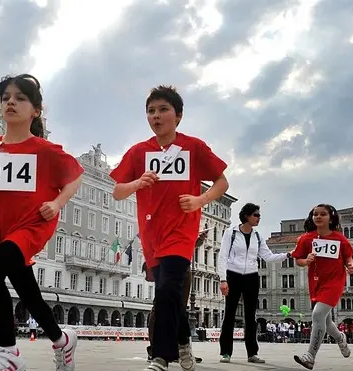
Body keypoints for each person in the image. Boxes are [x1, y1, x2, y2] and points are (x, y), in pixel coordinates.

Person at [0, 74, 83, 371]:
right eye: (6, 97)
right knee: (30, 296)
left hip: (31, 225)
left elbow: (75, 176)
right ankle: (62, 340)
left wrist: (57, 203)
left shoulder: (44, 150)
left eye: (20, 98)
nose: (11, 102)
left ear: (35, 110)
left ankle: (9, 352)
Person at [110, 85, 228, 371]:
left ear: (179, 115)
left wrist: (200, 199)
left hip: (181, 231)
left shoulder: (194, 147)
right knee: (169, 292)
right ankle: (184, 341)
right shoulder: (139, 152)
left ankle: (161, 356)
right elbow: (117, 191)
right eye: (151, 111)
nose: (156, 116)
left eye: (163, 109)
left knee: (166, 291)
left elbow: (222, 183)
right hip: (152, 234)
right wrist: (138, 183)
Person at [217, 202, 292, 363]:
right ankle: (226, 352)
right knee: (229, 314)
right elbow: (222, 256)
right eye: (256, 215)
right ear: (246, 216)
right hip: (233, 274)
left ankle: (252, 353)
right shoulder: (231, 233)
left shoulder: (257, 236)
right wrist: (223, 279)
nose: (259, 218)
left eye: (259, 215)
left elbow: (268, 256)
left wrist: (288, 255)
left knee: (251, 316)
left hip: (251, 276)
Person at [292, 204, 353, 370]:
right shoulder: (306, 239)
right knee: (325, 321)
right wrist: (307, 261)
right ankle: (340, 338)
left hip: (334, 282)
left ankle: (310, 356)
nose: (318, 217)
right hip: (316, 283)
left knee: (317, 314)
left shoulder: (340, 238)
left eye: (323, 214)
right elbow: (298, 260)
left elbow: (348, 255)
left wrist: (350, 265)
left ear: (330, 217)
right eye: (315, 214)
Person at [143, 262, 202, 363]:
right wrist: (149, 263)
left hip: (184, 263)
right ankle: (155, 350)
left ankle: (180, 351)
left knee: (181, 307)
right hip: (166, 261)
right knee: (159, 306)